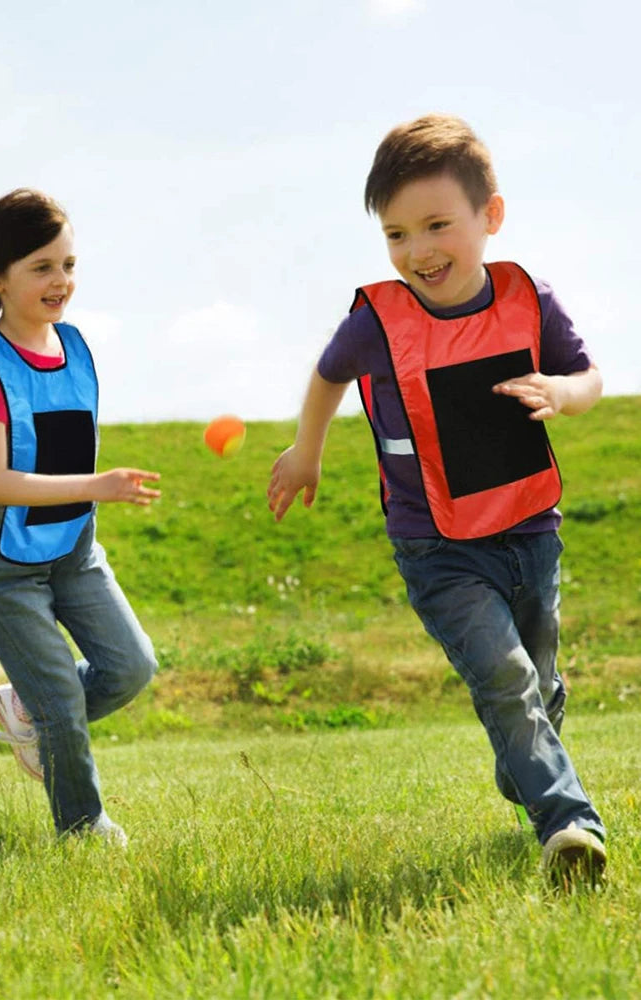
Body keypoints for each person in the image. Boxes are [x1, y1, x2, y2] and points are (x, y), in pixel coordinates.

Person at [267, 114, 606, 885]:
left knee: (541, 682)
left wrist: (562, 391)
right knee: (506, 678)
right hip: (438, 547)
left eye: (435, 225)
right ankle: (569, 825)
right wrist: (308, 449)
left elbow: (589, 378)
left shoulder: (528, 298)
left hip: (531, 530)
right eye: (395, 234)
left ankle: (525, 767)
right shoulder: (377, 324)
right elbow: (328, 375)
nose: (417, 250)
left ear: (490, 216)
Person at [0, 189, 161, 846]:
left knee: (131, 666)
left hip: (73, 545)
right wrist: (101, 483)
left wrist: (91, 495)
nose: (60, 281)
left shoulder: (76, 347)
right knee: (63, 704)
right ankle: (82, 828)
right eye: (42, 267)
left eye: (68, 265)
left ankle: (27, 707)